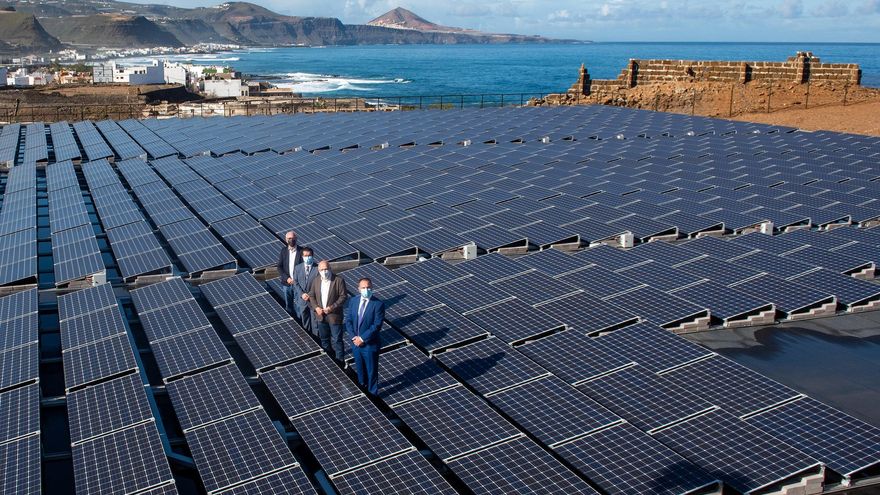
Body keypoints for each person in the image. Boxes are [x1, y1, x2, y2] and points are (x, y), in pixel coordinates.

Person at [345, 277, 384, 396]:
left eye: (368, 287)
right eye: (363, 288)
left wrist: (362, 339)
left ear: (372, 288)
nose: (366, 290)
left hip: (369, 344)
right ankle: (362, 388)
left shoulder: (378, 304)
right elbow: (349, 320)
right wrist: (354, 338)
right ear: (358, 289)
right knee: (360, 369)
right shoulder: (353, 301)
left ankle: (372, 394)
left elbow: (376, 325)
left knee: (371, 371)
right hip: (355, 343)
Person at [308, 260, 347, 363]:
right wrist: (316, 307)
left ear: (330, 269)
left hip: (334, 316)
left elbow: (343, 297)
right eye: (321, 270)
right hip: (321, 316)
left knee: (337, 340)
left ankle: (340, 361)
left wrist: (331, 307)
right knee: (324, 339)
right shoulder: (316, 281)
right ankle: (329, 360)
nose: (324, 271)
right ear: (318, 270)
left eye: (326, 269)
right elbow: (311, 295)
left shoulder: (338, 280)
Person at [292, 246, 319, 335]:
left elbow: (318, 284)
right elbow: (295, 282)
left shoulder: (317, 268)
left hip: (314, 300)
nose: (307, 257)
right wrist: (302, 294)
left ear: (312, 256)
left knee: (315, 323)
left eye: (309, 255)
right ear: (302, 257)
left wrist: (310, 294)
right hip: (302, 300)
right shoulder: (297, 268)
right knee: (305, 320)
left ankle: (316, 338)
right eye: (305, 256)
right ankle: (308, 339)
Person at [276, 230, 302, 314]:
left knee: (299, 305)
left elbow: (304, 268)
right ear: (286, 239)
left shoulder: (301, 251)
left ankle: (300, 323)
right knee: (289, 305)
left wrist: (296, 279)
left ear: (296, 238)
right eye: (289, 238)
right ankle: (293, 320)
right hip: (287, 284)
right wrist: (287, 278)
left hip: (298, 284)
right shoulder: (283, 251)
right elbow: (279, 267)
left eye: (293, 238)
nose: (291, 240)